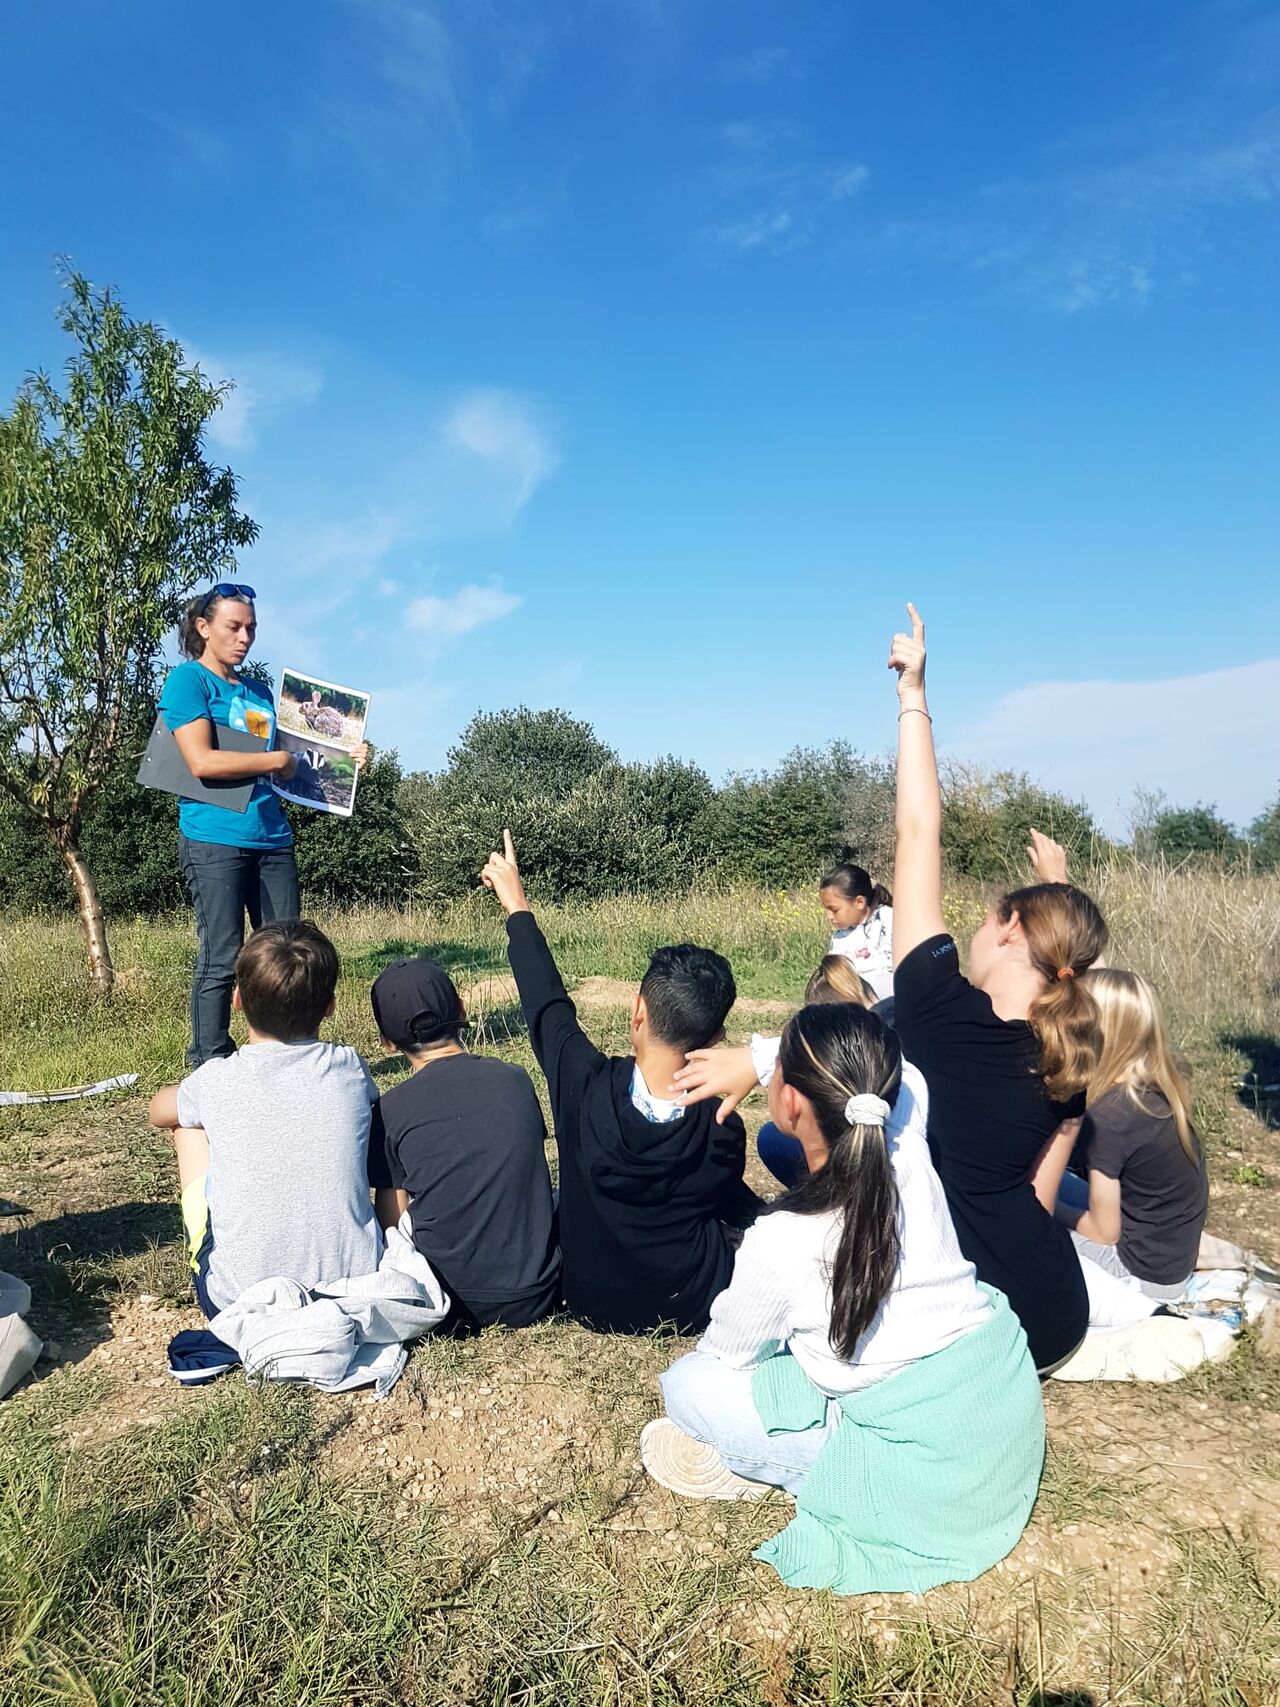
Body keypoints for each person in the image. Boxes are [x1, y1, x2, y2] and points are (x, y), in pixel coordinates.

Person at [673, 607, 1107, 1373]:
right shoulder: (1072, 1045)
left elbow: (917, 831)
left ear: (1009, 931)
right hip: (1055, 1313)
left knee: (784, 1137)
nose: (970, 928)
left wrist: (914, 693)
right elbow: (1040, 1198)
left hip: (975, 1328)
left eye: (987, 920)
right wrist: (1058, 891)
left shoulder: (938, 1007)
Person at [642, 1002, 1044, 1596]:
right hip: (996, 1408)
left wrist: (755, 1059)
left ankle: (792, 1462)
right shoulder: (901, 1120)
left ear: (791, 1102)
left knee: (686, 1385)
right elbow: (896, 1065)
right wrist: (760, 1061)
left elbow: (728, 1353)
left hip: (921, 1474)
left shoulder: (780, 1242)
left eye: (777, 1070)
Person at [480, 831, 760, 1335]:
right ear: (717, 1038)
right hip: (691, 1305)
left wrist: (516, 905)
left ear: (637, 1011)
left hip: (589, 1299)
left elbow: (547, 1005)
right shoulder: (722, 1129)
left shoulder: (582, 1083)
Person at [158, 585, 367, 1068]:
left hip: (273, 837)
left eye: (251, 627)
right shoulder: (188, 682)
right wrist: (275, 759)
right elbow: (201, 762)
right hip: (213, 836)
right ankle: (210, 1062)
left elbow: (303, 760)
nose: (245, 636)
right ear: (202, 628)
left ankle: (288, 1053)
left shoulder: (256, 691)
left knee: (290, 950)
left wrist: (350, 757)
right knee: (223, 953)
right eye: (233, 627)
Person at [148, 920, 384, 1318]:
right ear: (330, 1005)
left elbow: (158, 1109)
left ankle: (209, 1254)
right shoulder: (348, 1066)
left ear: (236, 999)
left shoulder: (215, 1079)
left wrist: (186, 1094)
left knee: (186, 1126)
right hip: (355, 1284)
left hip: (238, 1298)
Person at [366, 954, 561, 1332]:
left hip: (446, 1301)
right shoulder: (515, 1079)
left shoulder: (389, 1111)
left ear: (387, 1042)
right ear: (462, 1008)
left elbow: (392, 1220)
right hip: (537, 1294)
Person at [1056, 969, 1208, 1300]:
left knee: (1028, 1220)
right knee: (1052, 1181)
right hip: (1169, 1259)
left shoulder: (1110, 1119)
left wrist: (1046, 1207)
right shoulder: (1153, 1089)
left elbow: (1103, 1232)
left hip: (1142, 1277)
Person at [820, 863, 894, 1001]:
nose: (829, 916)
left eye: (834, 910)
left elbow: (892, 971)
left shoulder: (887, 920)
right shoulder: (840, 937)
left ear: (859, 902)